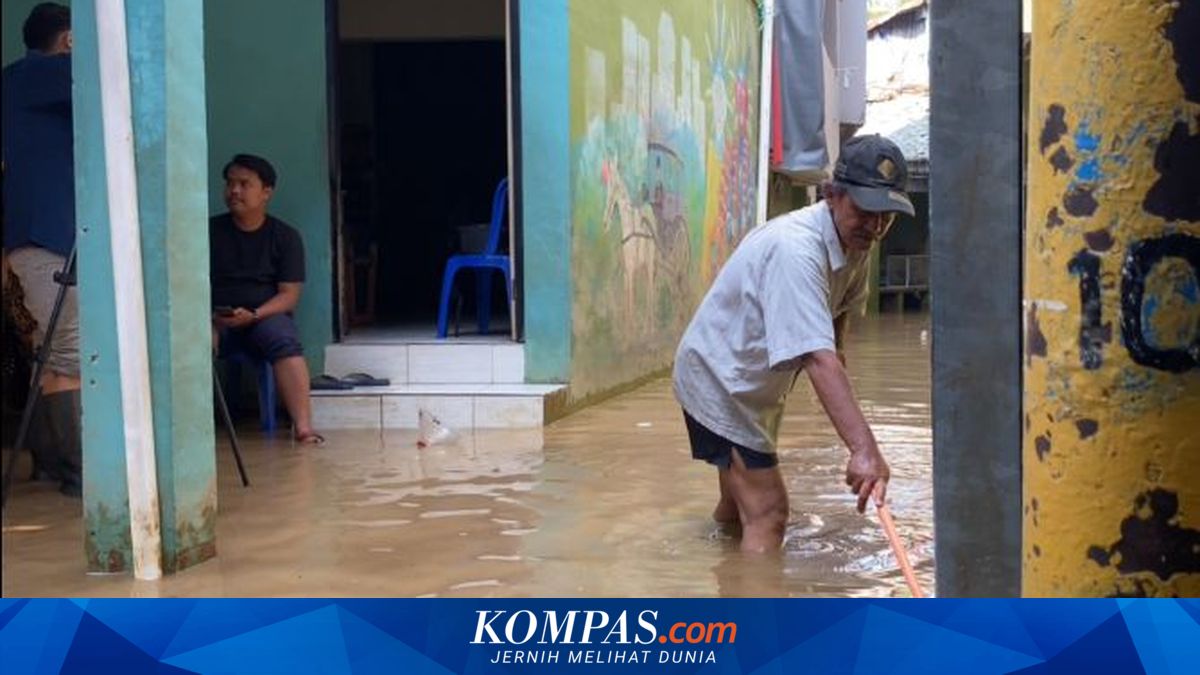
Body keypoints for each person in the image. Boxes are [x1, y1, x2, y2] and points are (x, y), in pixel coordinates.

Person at [673, 134, 915, 553]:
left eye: (886, 216)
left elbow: (833, 346)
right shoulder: (796, 250)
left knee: (739, 503)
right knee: (769, 512)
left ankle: (714, 564)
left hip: (749, 382)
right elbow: (818, 359)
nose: (876, 226)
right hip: (719, 381)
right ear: (832, 195)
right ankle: (756, 615)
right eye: (866, 211)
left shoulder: (854, 244)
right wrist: (864, 450)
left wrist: (847, 425)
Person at [2, 3, 82, 496]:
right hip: (50, 241)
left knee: (51, 355)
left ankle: (55, 462)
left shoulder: (14, 81)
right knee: (67, 353)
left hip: (32, 240)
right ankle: (79, 470)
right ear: (70, 41)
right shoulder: (57, 76)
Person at [210, 153, 323, 444]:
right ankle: (195, 430)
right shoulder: (208, 233)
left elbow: (289, 296)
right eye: (230, 183)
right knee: (191, 341)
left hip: (264, 317)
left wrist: (255, 315)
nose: (234, 191)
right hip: (216, 318)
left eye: (244, 184)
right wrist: (211, 318)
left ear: (266, 192)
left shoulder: (285, 237)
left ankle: (304, 428)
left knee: (284, 339)